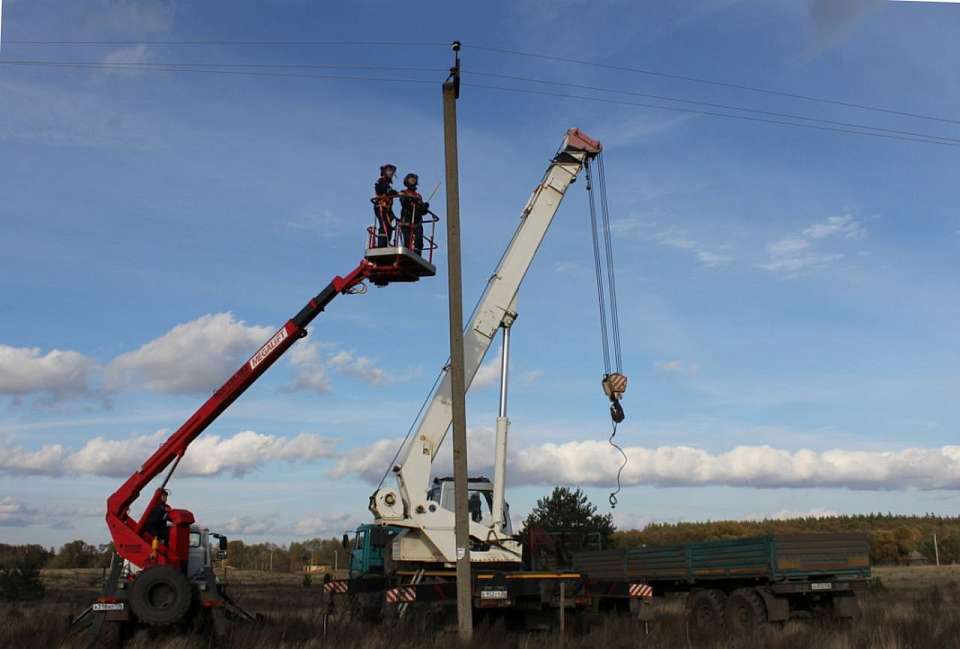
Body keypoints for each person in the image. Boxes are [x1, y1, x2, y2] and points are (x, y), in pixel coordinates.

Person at [398, 173, 430, 255]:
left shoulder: (418, 196)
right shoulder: (404, 192)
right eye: (410, 178)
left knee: (419, 240)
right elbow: (404, 203)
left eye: (414, 179)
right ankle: (407, 255)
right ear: (407, 180)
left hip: (417, 221)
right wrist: (411, 200)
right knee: (407, 239)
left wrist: (424, 207)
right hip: (406, 220)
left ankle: (417, 254)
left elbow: (422, 211)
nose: (412, 180)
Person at [372, 164, 399, 247]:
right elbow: (381, 189)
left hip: (387, 208)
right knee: (384, 225)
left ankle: (386, 243)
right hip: (380, 206)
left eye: (392, 171)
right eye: (389, 171)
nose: (391, 173)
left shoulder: (387, 184)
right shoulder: (381, 181)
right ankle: (381, 245)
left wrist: (392, 215)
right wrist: (391, 192)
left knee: (389, 226)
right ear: (384, 172)